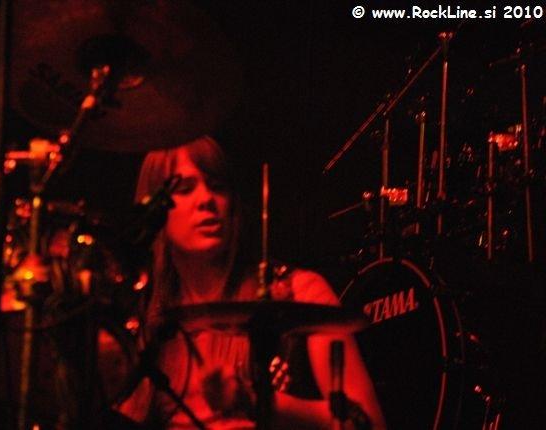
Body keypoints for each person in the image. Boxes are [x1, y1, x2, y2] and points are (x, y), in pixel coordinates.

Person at [119, 135, 385, 429]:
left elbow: (369, 422)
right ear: (154, 212)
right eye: (185, 189)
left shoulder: (300, 292)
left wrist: (256, 401)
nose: (206, 199)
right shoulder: (145, 323)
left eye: (217, 186)